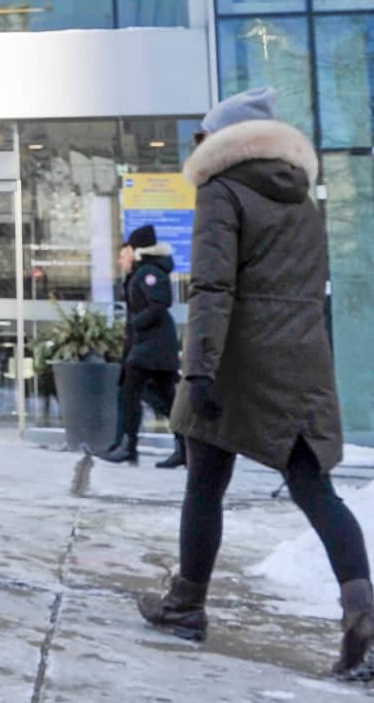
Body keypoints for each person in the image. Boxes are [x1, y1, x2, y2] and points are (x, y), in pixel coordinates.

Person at [140, 88, 374, 678]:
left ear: (221, 142)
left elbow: (214, 289)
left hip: (236, 360)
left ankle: (186, 606)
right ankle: (364, 612)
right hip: (301, 360)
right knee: (314, 488)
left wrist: (198, 370)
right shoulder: (303, 198)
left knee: (205, 484)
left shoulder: (222, 190)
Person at [95, 225, 182, 467]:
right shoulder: (144, 272)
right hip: (151, 346)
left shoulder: (149, 272)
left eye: (126, 251)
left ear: (137, 250)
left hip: (152, 347)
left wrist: (136, 323)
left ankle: (129, 447)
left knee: (131, 393)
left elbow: (160, 303)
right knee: (165, 399)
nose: (121, 258)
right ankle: (184, 447)